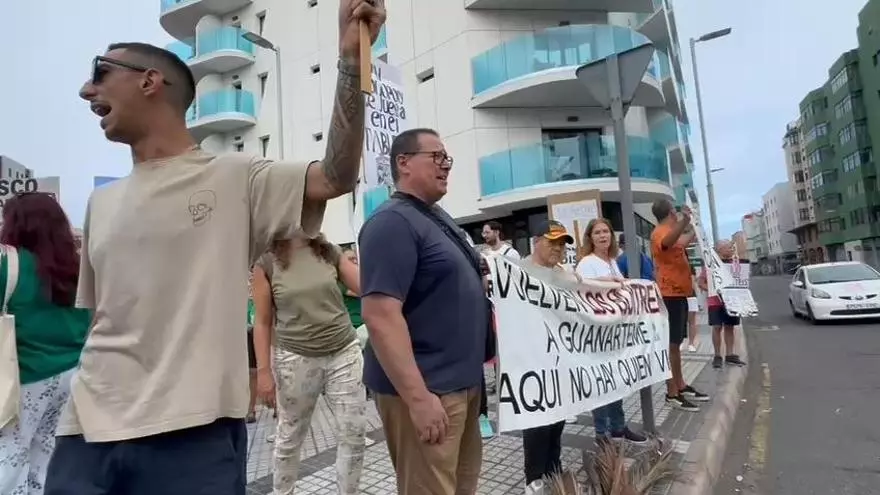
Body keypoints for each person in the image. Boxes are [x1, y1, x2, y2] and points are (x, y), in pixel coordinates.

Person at [44, 2, 385, 493]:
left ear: (149, 81)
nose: (86, 90)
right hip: (85, 434)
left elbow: (335, 176)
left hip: (195, 436)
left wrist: (352, 61)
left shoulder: (235, 176)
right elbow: (100, 323)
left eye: (100, 73)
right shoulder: (100, 203)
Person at [359, 128, 488, 494]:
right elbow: (381, 314)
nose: (446, 165)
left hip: (461, 385)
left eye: (448, 158)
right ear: (403, 163)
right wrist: (418, 399)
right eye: (437, 157)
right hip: (429, 390)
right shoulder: (392, 223)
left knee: (461, 486)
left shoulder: (435, 217)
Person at [251, 233, 365, 494]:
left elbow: (366, 286)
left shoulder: (328, 251)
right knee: (290, 437)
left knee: (354, 433)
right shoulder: (266, 260)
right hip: (295, 356)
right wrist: (264, 373)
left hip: (343, 351)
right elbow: (262, 321)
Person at [0, 193, 91, 494]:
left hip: (23, 378)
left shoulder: (9, 264)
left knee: (9, 457)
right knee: (47, 456)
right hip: (70, 376)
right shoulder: (77, 267)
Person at [574, 219, 648, 448]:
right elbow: (580, 285)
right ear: (590, 237)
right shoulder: (587, 262)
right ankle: (601, 432)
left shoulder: (613, 262)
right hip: (598, 333)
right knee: (601, 383)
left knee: (615, 382)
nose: (603, 235)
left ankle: (618, 427)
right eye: (597, 232)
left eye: (606, 231)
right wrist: (605, 281)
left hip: (616, 332)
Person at [519, 220, 579, 494]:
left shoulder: (564, 274)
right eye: (552, 242)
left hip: (560, 360)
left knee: (557, 418)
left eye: (562, 244)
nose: (558, 248)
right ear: (536, 242)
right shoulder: (518, 270)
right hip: (531, 360)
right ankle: (534, 477)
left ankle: (553, 467)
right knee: (538, 421)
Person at [650, 200, 710, 413]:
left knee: (676, 344)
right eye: (676, 212)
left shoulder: (670, 231)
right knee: (671, 345)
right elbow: (668, 242)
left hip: (679, 293)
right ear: (671, 213)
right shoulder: (660, 232)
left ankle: (681, 385)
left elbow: (681, 243)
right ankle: (672, 392)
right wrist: (685, 220)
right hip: (669, 294)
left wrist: (694, 228)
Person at [698, 241, 747, 369]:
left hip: (732, 300)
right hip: (715, 301)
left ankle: (730, 355)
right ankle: (717, 355)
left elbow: (741, 280)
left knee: (730, 327)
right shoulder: (711, 265)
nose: (731, 249)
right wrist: (712, 290)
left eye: (731, 247)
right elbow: (700, 282)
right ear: (720, 250)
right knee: (717, 327)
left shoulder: (734, 264)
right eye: (728, 248)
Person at [686, 269, 700, 353]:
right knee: (679, 321)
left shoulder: (689, 266)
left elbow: (692, 283)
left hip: (690, 295)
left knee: (691, 321)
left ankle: (691, 343)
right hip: (678, 294)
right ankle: (680, 342)